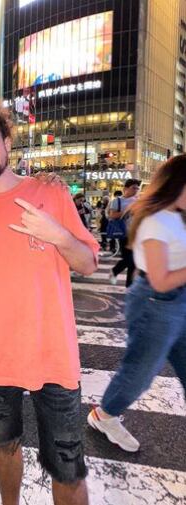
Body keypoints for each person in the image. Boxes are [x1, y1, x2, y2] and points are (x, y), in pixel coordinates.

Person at [0, 103, 99, 505]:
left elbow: (87, 262)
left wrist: (58, 235)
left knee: (67, 467)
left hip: (53, 355)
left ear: (7, 141)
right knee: (5, 446)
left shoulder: (50, 192)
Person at [88, 155, 186, 452]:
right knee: (140, 372)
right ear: (177, 185)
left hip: (178, 299)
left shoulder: (178, 216)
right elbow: (160, 280)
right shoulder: (156, 222)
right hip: (156, 302)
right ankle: (104, 415)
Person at [108, 179, 140, 286]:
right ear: (125, 188)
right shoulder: (117, 201)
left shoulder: (139, 201)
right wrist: (128, 210)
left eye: (137, 188)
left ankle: (129, 287)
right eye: (133, 188)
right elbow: (112, 215)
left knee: (134, 261)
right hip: (124, 233)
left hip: (137, 233)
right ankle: (115, 271)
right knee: (130, 259)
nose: (136, 190)